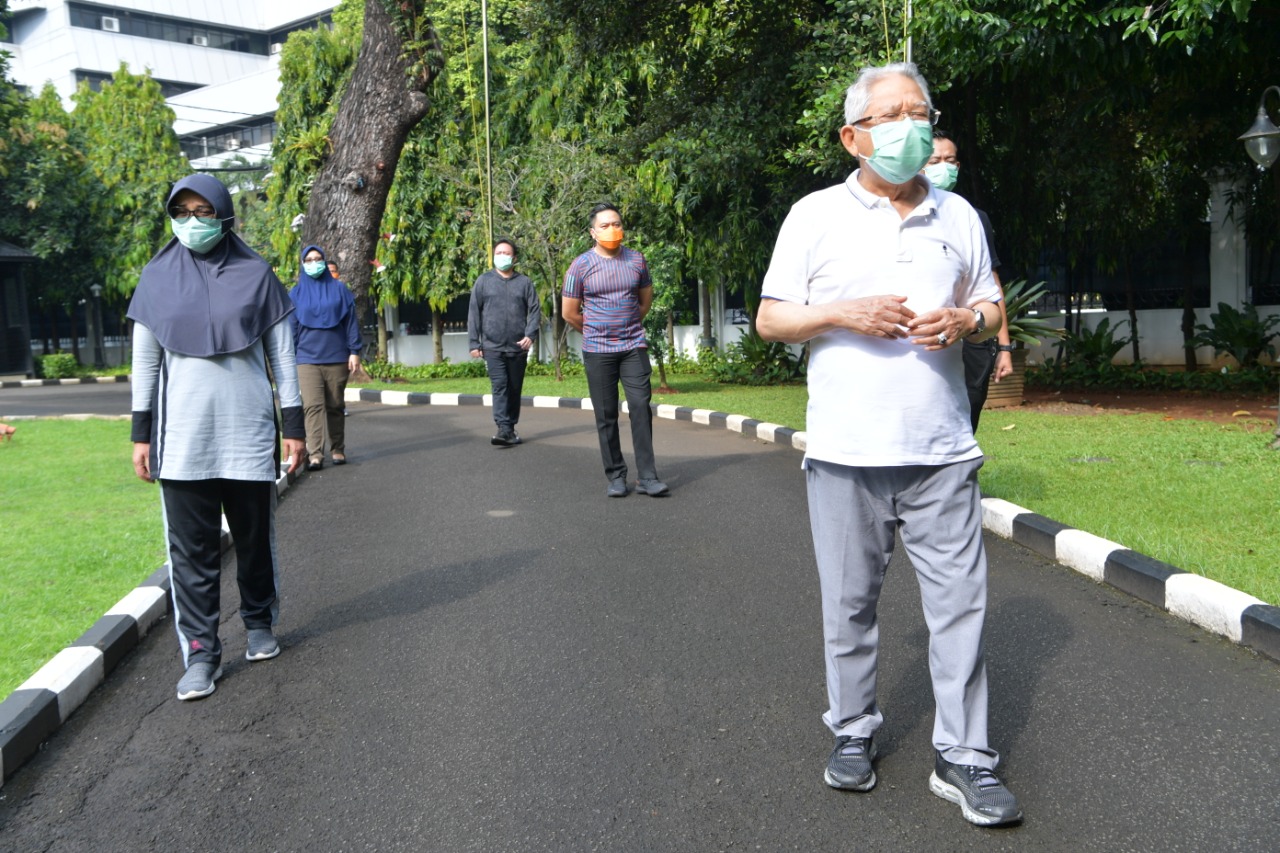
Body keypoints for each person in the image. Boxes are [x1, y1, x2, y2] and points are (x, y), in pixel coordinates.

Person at [756, 63, 1022, 826]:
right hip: (846, 451)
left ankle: (966, 757)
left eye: (920, 112)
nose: (910, 127)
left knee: (961, 609)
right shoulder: (812, 216)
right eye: (891, 115)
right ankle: (853, 730)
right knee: (850, 607)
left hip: (941, 449)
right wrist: (845, 313)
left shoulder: (957, 214)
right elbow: (774, 318)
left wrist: (966, 322)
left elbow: (992, 302)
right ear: (853, 136)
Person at [127, 174, 305, 702]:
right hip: (181, 440)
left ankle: (258, 623)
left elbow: (282, 358)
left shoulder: (257, 275)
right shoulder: (155, 279)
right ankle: (200, 653)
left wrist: (292, 427)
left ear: (225, 216)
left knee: (253, 541)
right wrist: (141, 435)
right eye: (182, 211)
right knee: (191, 553)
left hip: (247, 433)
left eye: (205, 211)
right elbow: (144, 363)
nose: (193, 222)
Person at [562, 203, 667, 498]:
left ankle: (647, 477)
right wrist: (598, 330)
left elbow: (644, 302)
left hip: (633, 345)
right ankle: (616, 475)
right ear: (593, 232)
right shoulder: (580, 266)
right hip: (598, 350)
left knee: (639, 408)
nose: (612, 229)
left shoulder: (637, 260)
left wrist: (626, 327)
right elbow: (569, 313)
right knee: (606, 414)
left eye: (617, 223)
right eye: (605, 225)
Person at [923, 132, 1014, 431]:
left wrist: (1004, 348)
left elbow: (992, 285)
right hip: (927, 338)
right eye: (935, 160)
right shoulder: (899, 216)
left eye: (950, 160)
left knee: (968, 417)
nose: (943, 166)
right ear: (919, 165)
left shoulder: (972, 217)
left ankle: (961, 474)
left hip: (973, 337)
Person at [290, 244, 362, 469]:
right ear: (303, 264)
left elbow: (350, 322)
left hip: (336, 356)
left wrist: (354, 351)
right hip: (306, 358)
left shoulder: (340, 290)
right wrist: (288, 358)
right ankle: (315, 454)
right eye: (308, 260)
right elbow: (291, 328)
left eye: (318, 258)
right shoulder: (296, 293)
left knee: (335, 405)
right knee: (312, 406)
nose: (314, 263)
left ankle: (338, 449)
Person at [468, 238, 541, 446]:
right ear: (493, 256)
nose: (502, 256)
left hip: (518, 346)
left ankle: (509, 428)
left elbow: (535, 310)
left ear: (514, 257)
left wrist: (530, 335)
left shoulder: (524, 283)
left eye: (506, 253)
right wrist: (474, 343)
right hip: (492, 346)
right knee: (499, 386)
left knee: (514, 387)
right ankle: (503, 428)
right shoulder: (483, 281)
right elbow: (474, 312)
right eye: (498, 253)